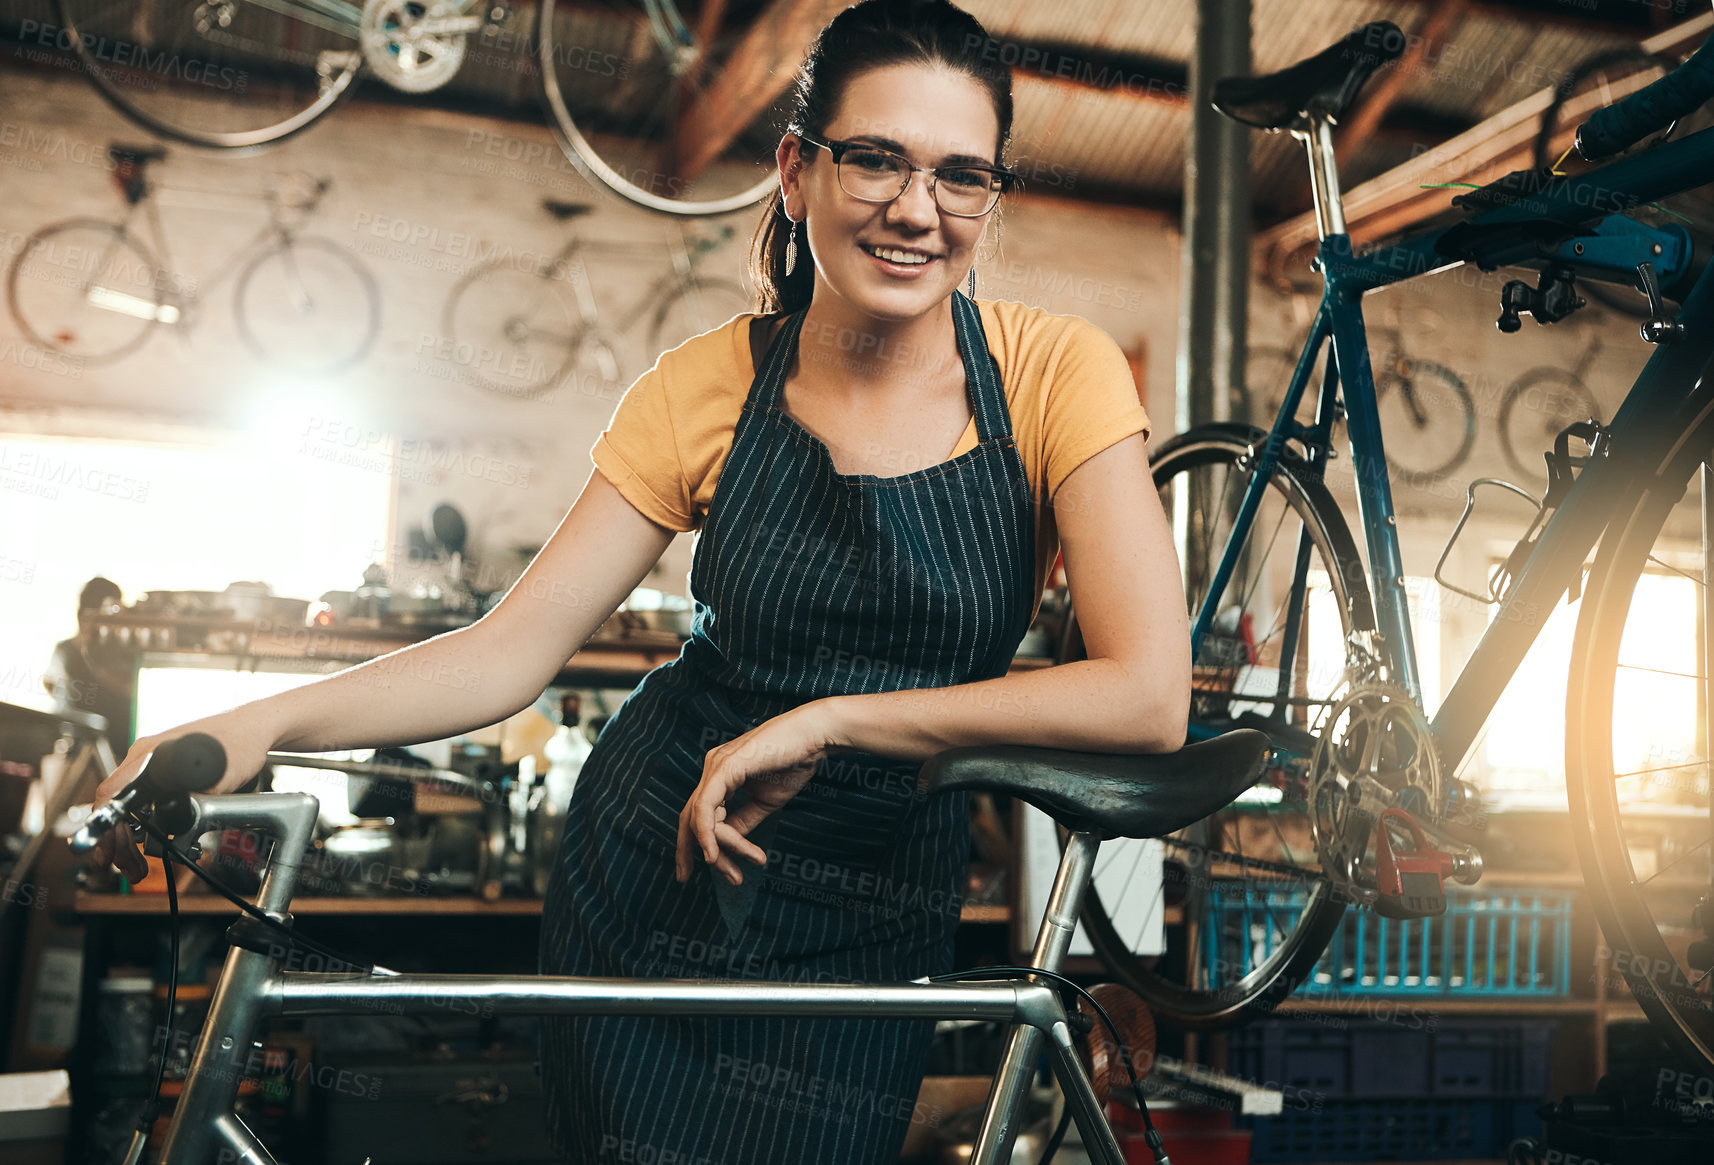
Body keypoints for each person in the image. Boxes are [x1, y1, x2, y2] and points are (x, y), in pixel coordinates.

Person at [93, 1, 1191, 1159]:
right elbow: (506, 652)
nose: (916, 209)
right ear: (794, 171)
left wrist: (829, 722)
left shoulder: (1050, 374)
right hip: (653, 874)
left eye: (960, 176)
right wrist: (258, 717)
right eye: (875, 159)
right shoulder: (699, 388)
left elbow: (1144, 695)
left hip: (875, 898)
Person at [44, 576, 135, 755]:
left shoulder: (122, 656)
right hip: (77, 749)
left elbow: (50, 684)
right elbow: (50, 683)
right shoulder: (67, 651)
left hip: (113, 747)